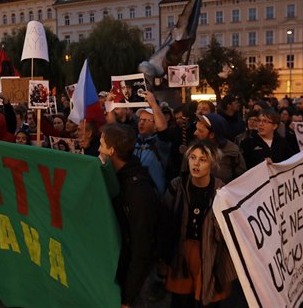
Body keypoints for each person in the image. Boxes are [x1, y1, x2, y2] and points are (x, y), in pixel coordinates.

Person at [164, 140, 238, 307]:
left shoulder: (221, 191)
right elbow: (165, 219)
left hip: (211, 252)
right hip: (182, 253)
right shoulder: (178, 185)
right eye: (192, 157)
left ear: (212, 164)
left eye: (202, 160)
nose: (196, 163)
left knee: (209, 301)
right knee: (181, 302)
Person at [99, 123, 158, 308]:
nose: (98, 149)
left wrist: (128, 298)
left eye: (101, 144)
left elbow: (142, 247)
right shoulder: (119, 177)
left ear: (111, 150)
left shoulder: (138, 192)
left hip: (137, 280)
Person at [193, 113, 246, 184]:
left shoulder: (232, 153)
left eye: (200, 131)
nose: (195, 133)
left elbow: (241, 181)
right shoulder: (193, 150)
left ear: (212, 135)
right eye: (196, 129)